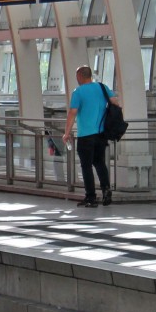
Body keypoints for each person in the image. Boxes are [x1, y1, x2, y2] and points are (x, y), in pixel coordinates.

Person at [62, 65, 122, 207]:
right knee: (99, 162)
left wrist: (66, 133)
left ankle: (91, 197)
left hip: (85, 135)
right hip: (101, 134)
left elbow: (72, 113)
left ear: (80, 76)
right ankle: (106, 190)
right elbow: (115, 102)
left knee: (86, 166)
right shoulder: (102, 87)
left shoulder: (78, 92)